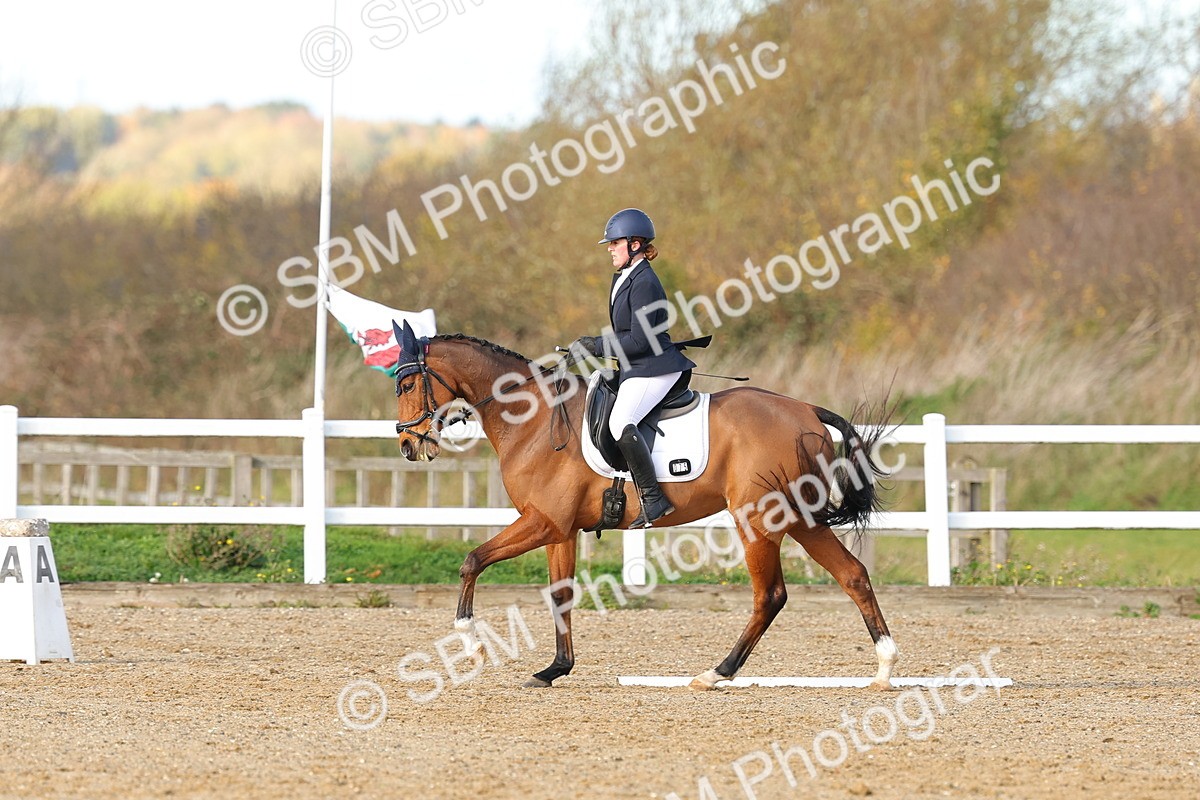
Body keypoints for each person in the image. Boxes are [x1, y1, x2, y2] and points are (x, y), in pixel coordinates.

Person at [573, 208, 696, 527]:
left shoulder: (644, 282)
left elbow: (640, 340)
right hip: (638, 366)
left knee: (620, 422)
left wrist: (597, 346)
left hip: (655, 367)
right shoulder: (625, 277)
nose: (610, 249)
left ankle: (654, 499)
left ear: (635, 244)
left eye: (615, 243)